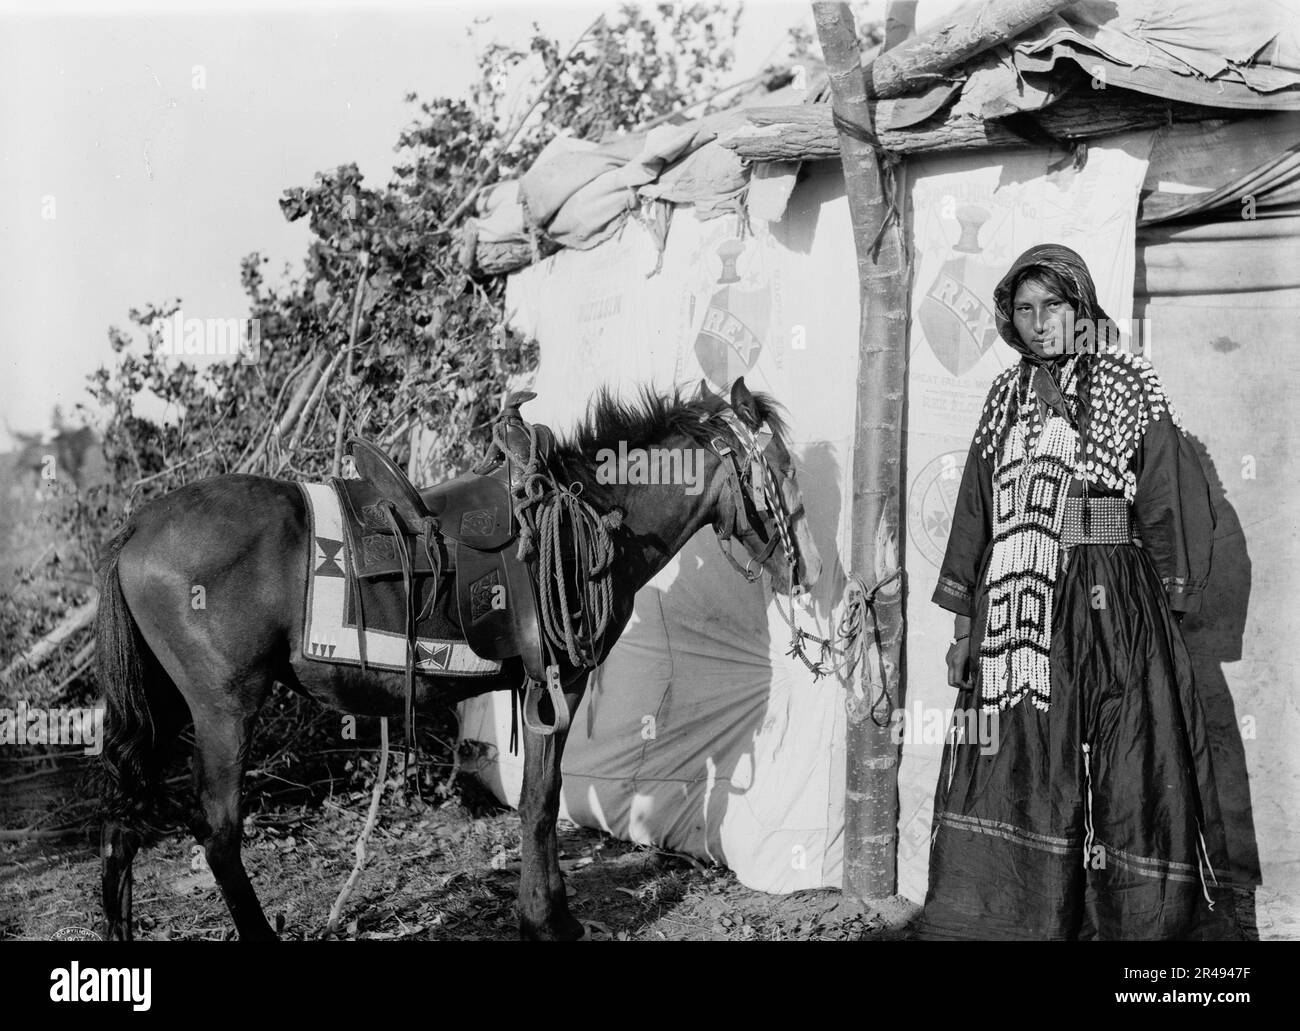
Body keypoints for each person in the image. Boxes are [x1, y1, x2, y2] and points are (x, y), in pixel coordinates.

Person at [916, 243, 1240, 940]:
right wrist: (963, 628)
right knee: (1023, 750)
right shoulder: (1003, 397)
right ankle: (1020, 914)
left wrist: (1165, 607)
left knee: (1120, 754)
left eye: (1053, 306)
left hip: (1109, 592)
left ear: (1082, 307)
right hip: (1019, 613)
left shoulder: (1128, 380)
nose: (1039, 323)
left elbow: (1163, 492)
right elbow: (976, 508)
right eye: (1026, 309)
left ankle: (1121, 920)